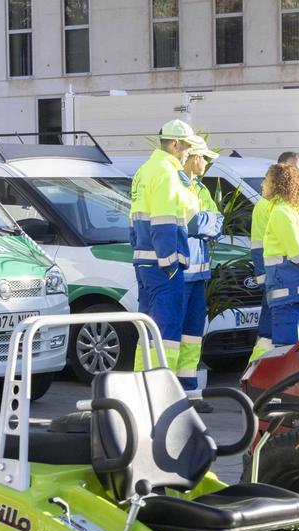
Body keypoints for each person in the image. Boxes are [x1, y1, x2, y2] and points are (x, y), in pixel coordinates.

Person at [129, 119, 198, 371]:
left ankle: (142, 379)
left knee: (148, 327)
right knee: (166, 330)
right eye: (188, 146)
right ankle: (161, 386)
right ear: (176, 144)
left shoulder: (144, 170)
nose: (189, 151)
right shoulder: (167, 173)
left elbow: (134, 220)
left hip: (145, 262)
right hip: (163, 266)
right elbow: (164, 223)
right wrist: (170, 264)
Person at [177, 135, 224, 404]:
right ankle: (171, 391)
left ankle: (189, 389)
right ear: (193, 157)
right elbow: (195, 225)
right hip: (180, 273)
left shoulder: (201, 190)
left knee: (193, 334)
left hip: (199, 274)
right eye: (204, 157)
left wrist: (205, 223)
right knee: (173, 334)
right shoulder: (179, 186)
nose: (206, 162)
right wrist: (205, 223)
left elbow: (217, 224)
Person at [249, 151, 299, 362]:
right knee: (270, 334)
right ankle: (256, 371)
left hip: (290, 281)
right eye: (295, 170)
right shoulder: (266, 206)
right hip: (280, 282)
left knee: (291, 339)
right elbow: (258, 247)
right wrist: (265, 282)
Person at [262, 162, 299, 346]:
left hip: (287, 296)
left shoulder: (281, 213)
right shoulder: (295, 211)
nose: (263, 184)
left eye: (267, 180)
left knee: (287, 352)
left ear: (278, 184)